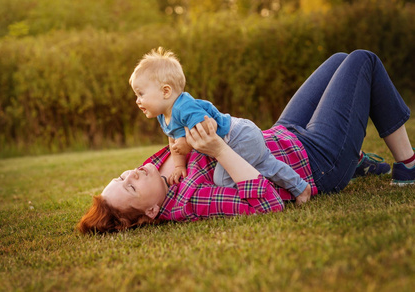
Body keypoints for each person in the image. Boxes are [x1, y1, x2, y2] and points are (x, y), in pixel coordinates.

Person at [77, 49, 414, 234]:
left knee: (339, 59)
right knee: (362, 60)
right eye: (131, 187)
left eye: (123, 176)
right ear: (151, 212)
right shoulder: (191, 200)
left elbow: (178, 126)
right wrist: (218, 150)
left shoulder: (155, 171)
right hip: (316, 161)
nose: (134, 174)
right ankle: (405, 166)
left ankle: (355, 160)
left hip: (283, 133)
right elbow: (268, 205)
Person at [129, 47, 310, 204]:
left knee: (224, 180)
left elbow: (209, 128)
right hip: (238, 135)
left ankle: (271, 191)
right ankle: (300, 187)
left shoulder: (184, 107)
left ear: (166, 91)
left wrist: (188, 144)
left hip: (238, 137)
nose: (137, 101)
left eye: (140, 94)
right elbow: (174, 141)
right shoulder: (163, 115)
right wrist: (179, 167)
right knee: (265, 164)